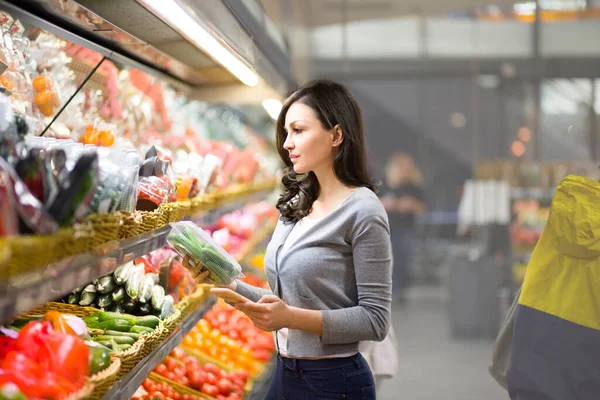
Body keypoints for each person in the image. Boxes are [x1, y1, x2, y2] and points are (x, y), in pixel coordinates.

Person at [188, 80, 393, 399]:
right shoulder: (297, 204)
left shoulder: (363, 210)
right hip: (286, 373)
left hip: (334, 381)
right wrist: (230, 287)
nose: (286, 143)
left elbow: (375, 320)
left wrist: (289, 318)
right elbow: (285, 300)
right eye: (285, 132)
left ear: (336, 135)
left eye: (298, 130)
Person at [379, 152, 426, 302]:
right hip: (385, 228)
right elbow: (371, 202)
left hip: (405, 229)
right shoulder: (383, 184)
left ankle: (400, 289)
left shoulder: (414, 187)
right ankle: (392, 290)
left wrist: (411, 204)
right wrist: (385, 203)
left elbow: (423, 207)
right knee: (389, 260)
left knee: (403, 259)